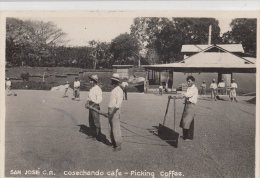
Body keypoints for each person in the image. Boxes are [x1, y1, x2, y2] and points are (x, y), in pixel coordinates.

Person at [171, 76, 198, 141]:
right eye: (187, 81)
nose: (188, 82)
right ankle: (185, 135)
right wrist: (175, 97)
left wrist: (179, 96)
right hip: (186, 105)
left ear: (193, 82)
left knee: (188, 121)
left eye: (189, 81)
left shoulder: (194, 89)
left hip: (191, 105)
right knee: (184, 121)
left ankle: (190, 137)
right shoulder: (188, 88)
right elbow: (184, 94)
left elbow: (187, 95)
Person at [107, 73, 124, 151]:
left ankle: (118, 145)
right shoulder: (113, 90)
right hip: (110, 109)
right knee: (111, 128)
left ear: (115, 82)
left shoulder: (119, 90)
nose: (111, 82)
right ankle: (113, 143)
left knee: (116, 127)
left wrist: (112, 113)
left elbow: (118, 104)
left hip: (115, 111)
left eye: (112, 81)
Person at [86, 75, 103, 140]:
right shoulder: (91, 88)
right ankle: (92, 134)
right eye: (90, 80)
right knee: (91, 120)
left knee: (96, 121)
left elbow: (99, 99)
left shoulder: (98, 89)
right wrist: (87, 102)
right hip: (90, 105)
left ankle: (98, 135)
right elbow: (89, 97)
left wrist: (92, 105)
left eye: (91, 81)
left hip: (95, 106)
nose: (90, 82)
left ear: (95, 81)